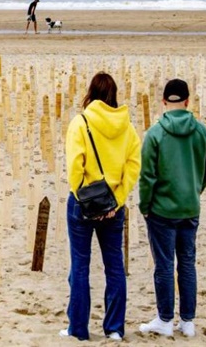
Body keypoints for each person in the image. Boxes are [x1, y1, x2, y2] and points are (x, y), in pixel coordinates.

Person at [61, 72, 141, 341]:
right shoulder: (127, 128)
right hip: (112, 208)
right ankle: (115, 329)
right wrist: (116, 201)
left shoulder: (80, 123)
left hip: (82, 204)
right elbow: (132, 166)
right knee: (114, 267)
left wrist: (84, 199)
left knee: (80, 267)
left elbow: (75, 167)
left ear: (90, 93)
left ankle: (79, 330)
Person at [138, 79, 206, 338]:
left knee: (164, 265)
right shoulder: (201, 132)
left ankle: (165, 319)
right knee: (188, 263)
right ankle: (188, 321)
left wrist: (145, 206)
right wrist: (194, 190)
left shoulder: (155, 133)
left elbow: (147, 176)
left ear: (163, 102)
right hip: (189, 208)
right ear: (187, 101)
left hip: (162, 211)